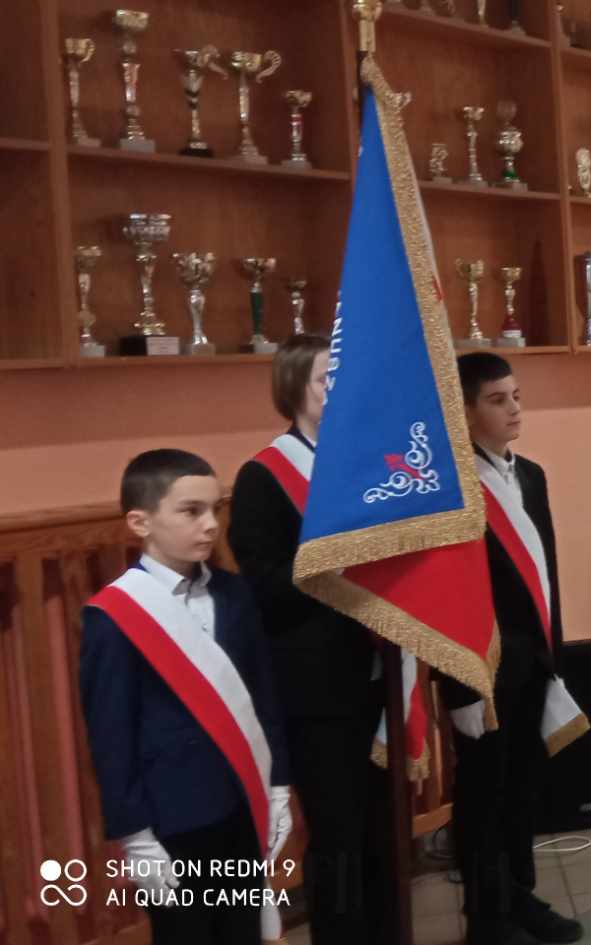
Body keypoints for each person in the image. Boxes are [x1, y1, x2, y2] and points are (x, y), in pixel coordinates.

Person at [227, 335, 399, 945]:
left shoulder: (365, 462)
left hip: (380, 668)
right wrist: (334, 560)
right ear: (294, 387)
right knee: (337, 833)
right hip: (317, 684)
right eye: (329, 379)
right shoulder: (265, 475)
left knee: (384, 827)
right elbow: (263, 587)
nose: (341, 389)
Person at [81, 449, 292, 945]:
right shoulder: (114, 615)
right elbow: (111, 735)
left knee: (242, 930)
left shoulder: (235, 594)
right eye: (191, 511)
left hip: (242, 798)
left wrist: (279, 784)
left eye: (216, 509)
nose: (211, 524)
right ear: (140, 522)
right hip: (172, 817)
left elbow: (263, 696)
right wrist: (134, 834)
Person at [444, 352, 585, 945]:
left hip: (534, 660)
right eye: (497, 400)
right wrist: (460, 686)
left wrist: (555, 656)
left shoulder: (531, 475)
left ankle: (520, 895)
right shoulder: (452, 485)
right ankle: (486, 914)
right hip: (483, 666)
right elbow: (450, 594)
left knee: (524, 786)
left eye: (517, 397)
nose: (514, 410)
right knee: (484, 791)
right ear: (465, 409)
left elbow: (545, 574)